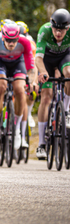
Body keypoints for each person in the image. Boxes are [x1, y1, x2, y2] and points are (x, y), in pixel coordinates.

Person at [0, 21, 36, 150]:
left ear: (18, 38)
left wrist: (31, 82)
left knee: (20, 89)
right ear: (2, 37)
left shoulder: (25, 42)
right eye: (8, 40)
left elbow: (31, 68)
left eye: (14, 40)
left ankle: (17, 131)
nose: (11, 44)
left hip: (18, 63)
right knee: (0, 87)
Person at [34, 9, 70, 160]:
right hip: (46, 61)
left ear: (67, 28)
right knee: (46, 97)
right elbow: (38, 59)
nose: (58, 33)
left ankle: (66, 112)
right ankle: (42, 144)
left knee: (68, 74)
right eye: (55, 29)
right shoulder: (45, 31)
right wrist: (42, 72)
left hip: (64, 57)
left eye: (61, 30)